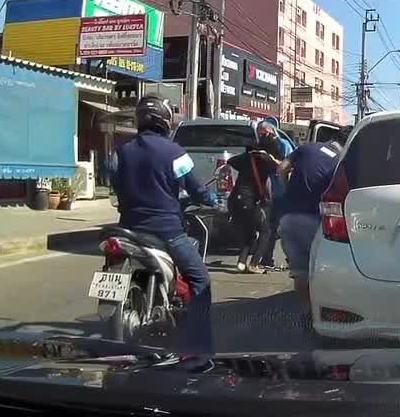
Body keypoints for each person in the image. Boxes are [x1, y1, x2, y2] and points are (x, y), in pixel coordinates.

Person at [111, 95, 218, 355]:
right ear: (165, 121)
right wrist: (211, 199)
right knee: (200, 279)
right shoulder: (175, 152)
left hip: (128, 229)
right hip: (166, 231)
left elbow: (113, 178)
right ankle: (201, 344)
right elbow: (195, 188)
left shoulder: (120, 151)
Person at [277, 131, 345, 322]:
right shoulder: (340, 161)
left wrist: (286, 193)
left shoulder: (307, 148)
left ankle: (305, 314)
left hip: (289, 217)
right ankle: (322, 312)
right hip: (315, 219)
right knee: (320, 267)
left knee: (300, 270)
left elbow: (282, 168)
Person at [230, 131, 284, 274]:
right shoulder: (265, 160)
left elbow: (231, 161)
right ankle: (254, 264)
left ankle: (241, 262)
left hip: (236, 198)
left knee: (250, 231)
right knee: (266, 231)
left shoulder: (248, 157)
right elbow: (281, 167)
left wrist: (249, 156)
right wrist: (271, 158)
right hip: (250, 199)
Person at [256, 119, 294, 271]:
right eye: (260, 135)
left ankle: (293, 259)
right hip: (268, 193)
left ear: (271, 133)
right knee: (269, 228)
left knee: (286, 228)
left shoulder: (283, 145)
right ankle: (267, 258)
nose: (262, 137)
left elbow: (289, 167)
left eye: (264, 134)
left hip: (284, 192)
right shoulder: (261, 147)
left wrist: (271, 160)